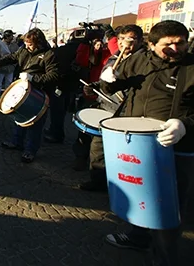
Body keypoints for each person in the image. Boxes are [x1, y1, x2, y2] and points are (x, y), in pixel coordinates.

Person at [100, 21, 194, 265]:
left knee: (168, 208)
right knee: (142, 194)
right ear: (151, 45)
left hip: (176, 147)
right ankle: (139, 237)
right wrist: (108, 80)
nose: (176, 48)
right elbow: (117, 86)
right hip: (138, 144)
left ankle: (164, 259)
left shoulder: (192, 68)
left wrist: (185, 124)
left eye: (180, 42)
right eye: (168, 44)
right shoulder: (139, 60)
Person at [78, 24, 144, 192]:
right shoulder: (115, 57)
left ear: (140, 41)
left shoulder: (143, 60)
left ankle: (122, 186)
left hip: (125, 111)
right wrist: (94, 86)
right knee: (97, 147)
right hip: (106, 107)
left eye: (130, 39)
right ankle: (98, 181)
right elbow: (104, 82)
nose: (124, 43)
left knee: (121, 152)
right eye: (121, 39)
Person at [0, 28, 59, 163]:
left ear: (39, 42)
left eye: (30, 44)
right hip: (23, 90)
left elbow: (53, 76)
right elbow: (12, 57)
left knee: (35, 123)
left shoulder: (49, 54)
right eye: (26, 43)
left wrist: (33, 77)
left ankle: (30, 150)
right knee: (19, 118)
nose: (27, 46)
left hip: (39, 93)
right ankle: (16, 142)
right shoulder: (23, 50)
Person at [72, 37, 112, 170]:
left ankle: (100, 164)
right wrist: (84, 42)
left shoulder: (108, 54)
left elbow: (115, 51)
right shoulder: (89, 54)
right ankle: (80, 157)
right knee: (84, 129)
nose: (98, 45)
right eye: (95, 43)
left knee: (101, 133)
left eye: (100, 42)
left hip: (105, 97)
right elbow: (81, 61)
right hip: (89, 94)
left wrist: (110, 36)